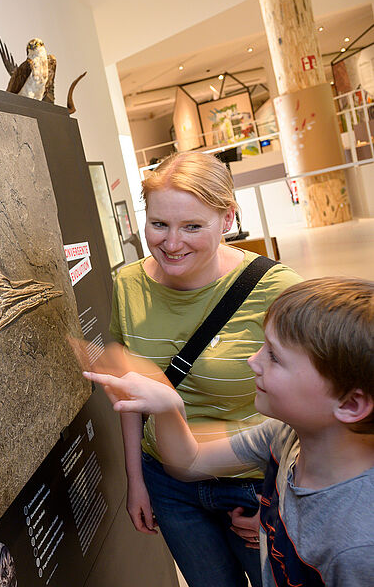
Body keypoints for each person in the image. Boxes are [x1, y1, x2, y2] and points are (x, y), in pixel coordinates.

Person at [87, 277, 374, 587]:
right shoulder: (286, 436)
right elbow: (191, 461)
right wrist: (169, 406)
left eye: (274, 357)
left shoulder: (358, 545)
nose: (253, 361)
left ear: (350, 403)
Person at [109, 151, 301, 586]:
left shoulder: (277, 288)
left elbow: (321, 401)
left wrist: (283, 502)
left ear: (227, 218)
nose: (171, 243)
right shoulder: (127, 285)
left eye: (192, 226)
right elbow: (129, 397)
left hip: (253, 485)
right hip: (171, 486)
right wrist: (136, 481)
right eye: (159, 224)